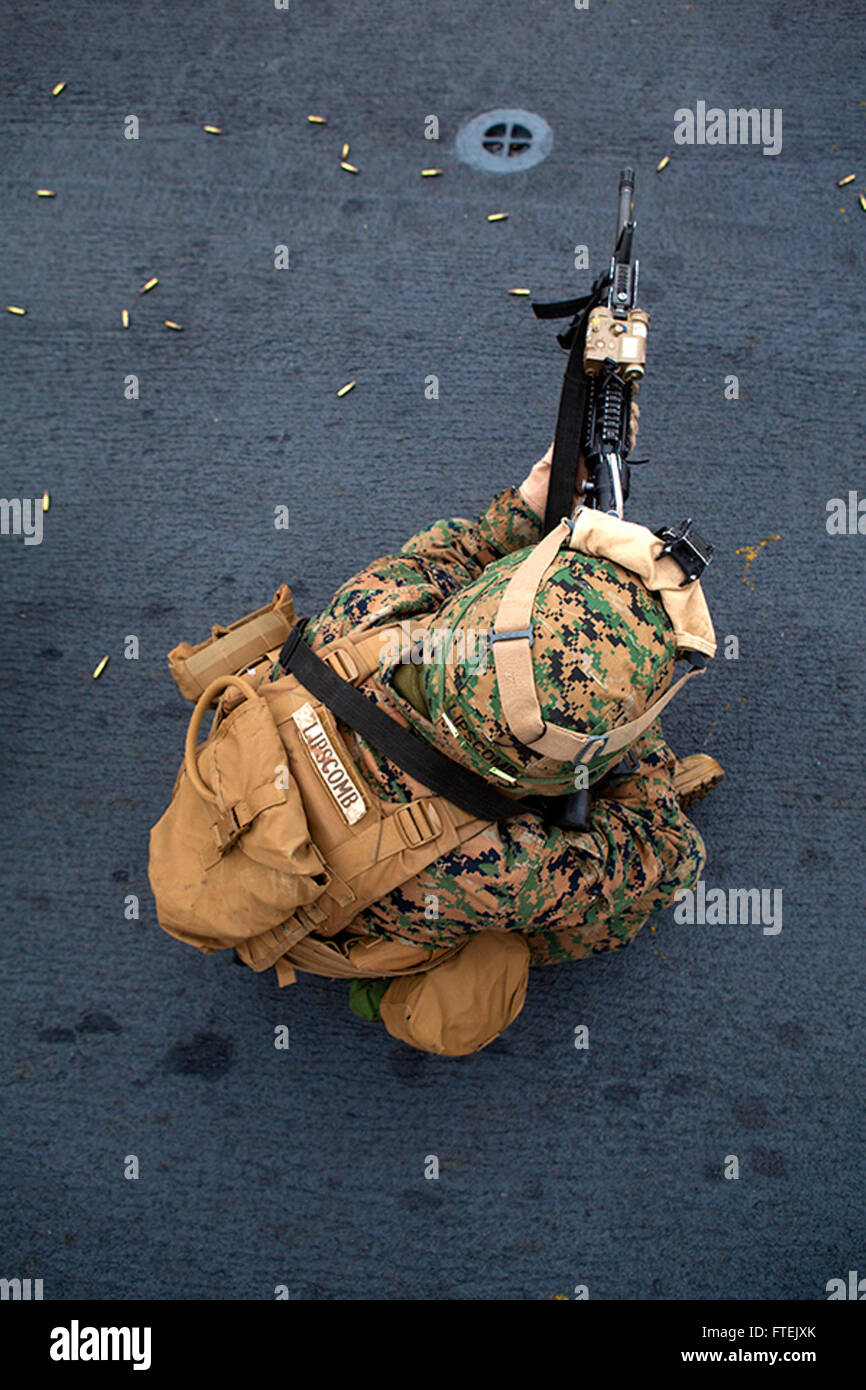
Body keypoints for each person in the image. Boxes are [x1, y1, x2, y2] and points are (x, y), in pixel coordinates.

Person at [275, 434, 723, 1047]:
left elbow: (461, 555)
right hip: (344, 912)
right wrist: (628, 739)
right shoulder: (506, 867)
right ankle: (390, 986)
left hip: (260, 784)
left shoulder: (371, 612)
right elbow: (672, 855)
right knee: (520, 952)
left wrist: (530, 503)